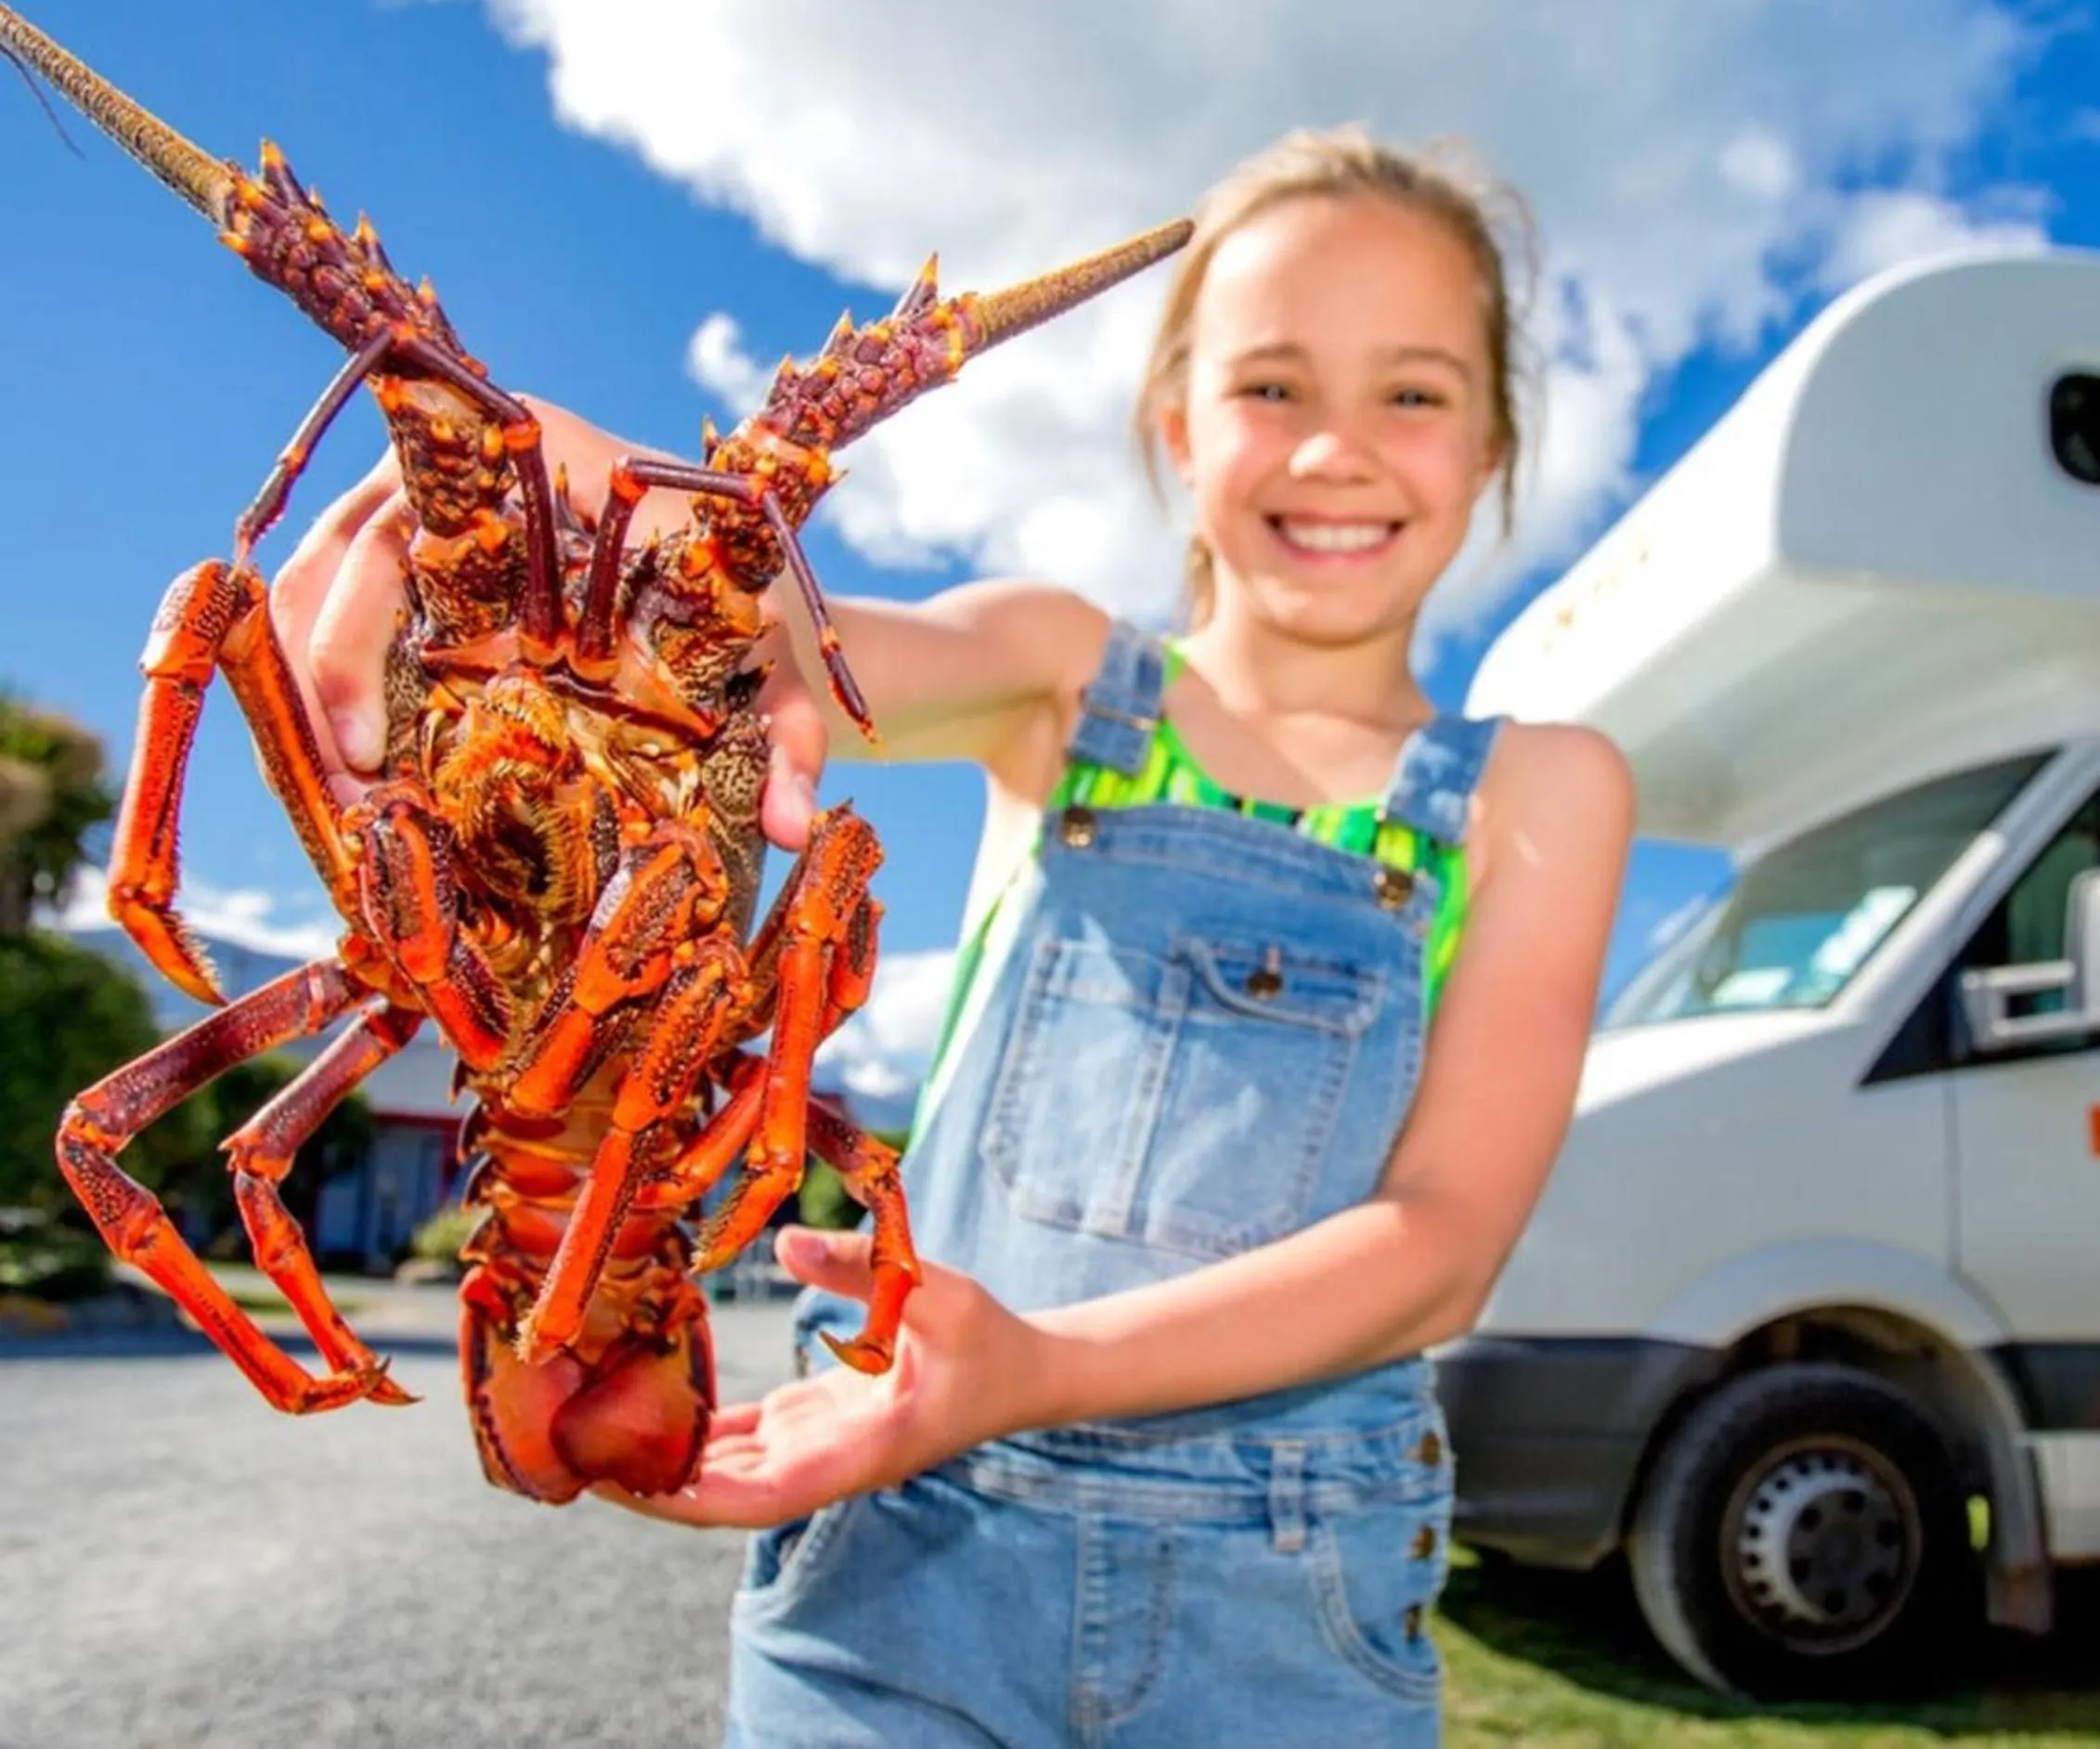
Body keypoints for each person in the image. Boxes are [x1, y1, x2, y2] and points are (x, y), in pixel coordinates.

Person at [270, 128, 1634, 1746]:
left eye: (1412, 393)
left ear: (1494, 447)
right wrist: (564, 481)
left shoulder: (1542, 790)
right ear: (1173, 425)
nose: (1338, 448)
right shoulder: (1063, 676)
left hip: (1288, 1616)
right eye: (1274, 385)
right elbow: (772, 625)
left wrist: (1034, 1371)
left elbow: (1442, 1245)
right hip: (896, 1590)